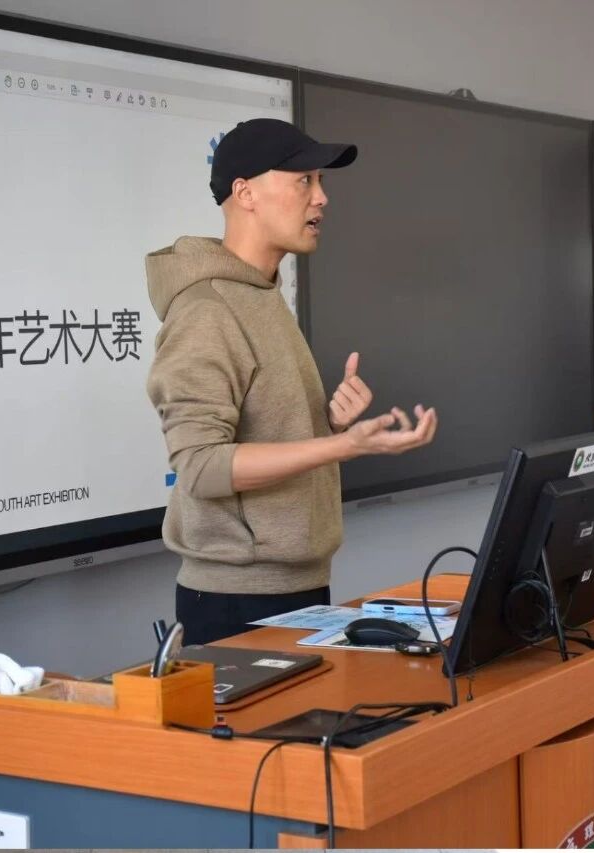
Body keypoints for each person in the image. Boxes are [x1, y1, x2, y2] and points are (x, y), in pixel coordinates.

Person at [145, 118, 438, 644]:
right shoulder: (207, 311)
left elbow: (264, 431)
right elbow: (202, 467)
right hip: (236, 601)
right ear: (245, 193)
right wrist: (342, 446)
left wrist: (329, 424)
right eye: (304, 180)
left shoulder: (260, 294)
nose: (321, 198)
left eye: (320, 181)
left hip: (296, 588)